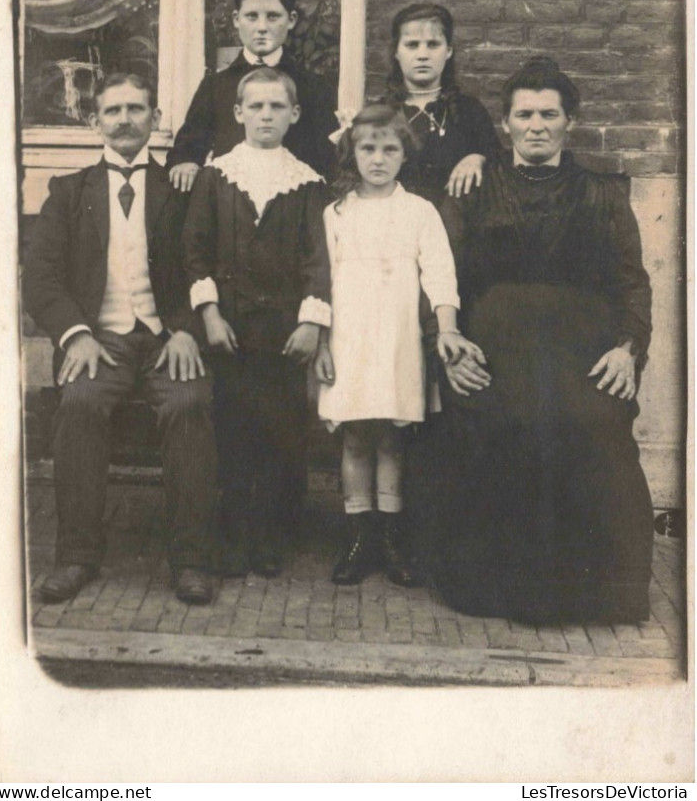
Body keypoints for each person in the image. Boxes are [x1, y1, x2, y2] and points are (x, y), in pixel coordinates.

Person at [426, 55, 654, 624]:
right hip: (494, 353)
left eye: (549, 114)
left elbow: (632, 283)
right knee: (506, 423)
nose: (536, 126)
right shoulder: (474, 189)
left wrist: (628, 350)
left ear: (569, 122)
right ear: (505, 124)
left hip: (582, 355)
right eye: (524, 115)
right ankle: (492, 590)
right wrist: (446, 346)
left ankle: (598, 595)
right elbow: (439, 276)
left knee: (593, 425)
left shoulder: (602, 195)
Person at [23, 73, 218, 606]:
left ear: (156, 120)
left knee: (189, 403)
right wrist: (76, 336)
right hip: (99, 338)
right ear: (96, 122)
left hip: (165, 338)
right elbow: (40, 278)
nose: (125, 120)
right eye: (113, 111)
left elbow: (209, 265)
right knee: (80, 403)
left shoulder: (184, 190)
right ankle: (77, 556)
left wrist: (186, 330)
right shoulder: (68, 192)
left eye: (137, 109)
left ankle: (192, 559)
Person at [314, 104, 479, 587]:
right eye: (368, 148)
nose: (379, 159)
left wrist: (447, 327)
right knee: (356, 435)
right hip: (349, 338)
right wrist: (323, 343)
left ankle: (389, 537)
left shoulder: (419, 211)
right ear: (352, 153)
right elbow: (321, 283)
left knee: (391, 435)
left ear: (405, 154)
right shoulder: (337, 212)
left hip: (399, 337)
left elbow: (439, 274)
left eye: (390, 149)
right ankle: (358, 537)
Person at [183, 68, 331, 578]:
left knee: (280, 429)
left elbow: (319, 259)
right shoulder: (216, 176)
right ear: (238, 113)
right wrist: (210, 313)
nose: (266, 116)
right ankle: (235, 529)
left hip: (284, 333)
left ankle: (271, 530)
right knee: (233, 427)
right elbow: (195, 251)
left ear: (294, 115)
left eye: (276, 107)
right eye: (257, 106)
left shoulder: (308, 183)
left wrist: (311, 322)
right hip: (231, 327)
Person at [166, 0, 338, 188]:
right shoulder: (215, 86)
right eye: (252, 16)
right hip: (231, 205)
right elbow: (187, 146)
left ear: (291, 19)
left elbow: (329, 160)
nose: (262, 28)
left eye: (273, 16)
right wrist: (185, 161)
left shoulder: (313, 88)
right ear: (237, 20)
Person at [385, 2, 500, 206]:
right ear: (396, 52)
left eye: (433, 44)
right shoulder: (381, 114)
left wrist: (478, 158)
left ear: (448, 51)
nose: (422, 55)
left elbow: (500, 165)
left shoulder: (469, 111)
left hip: (456, 229)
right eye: (412, 45)